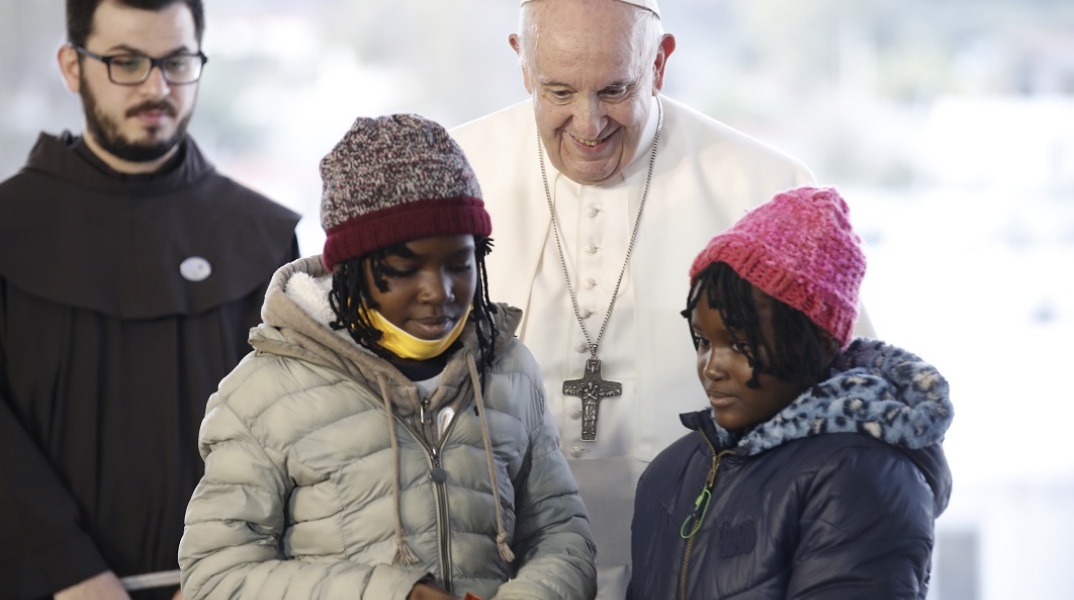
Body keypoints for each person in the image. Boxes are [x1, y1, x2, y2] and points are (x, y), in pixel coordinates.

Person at [450, 0, 874, 595]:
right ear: (523, 64)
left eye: (615, 90)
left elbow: (858, 412)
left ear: (659, 62)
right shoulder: (453, 173)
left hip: (716, 569)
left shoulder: (765, 187)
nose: (589, 124)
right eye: (560, 91)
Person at [177, 114, 596, 600]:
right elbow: (215, 577)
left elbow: (561, 534)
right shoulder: (262, 394)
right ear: (351, 270)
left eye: (460, 264)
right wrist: (392, 594)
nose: (437, 292)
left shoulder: (509, 368)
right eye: (403, 269)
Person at [0, 0, 301, 598]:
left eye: (177, 61)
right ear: (71, 66)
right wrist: (67, 570)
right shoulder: (10, 229)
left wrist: (233, 572)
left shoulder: (263, 235)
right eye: (127, 62)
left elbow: (297, 428)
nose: (156, 87)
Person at [627, 186, 953, 598]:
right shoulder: (670, 472)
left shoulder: (860, 476)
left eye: (740, 345)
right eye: (703, 341)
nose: (711, 367)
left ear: (818, 343)